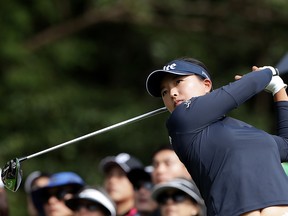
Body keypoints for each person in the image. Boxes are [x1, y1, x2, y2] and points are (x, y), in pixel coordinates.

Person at [145, 57, 288, 215]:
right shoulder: (182, 120)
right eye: (164, 91)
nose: (172, 93)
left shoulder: (246, 130)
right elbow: (246, 87)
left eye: (178, 81)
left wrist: (278, 89)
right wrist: (270, 72)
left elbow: (286, 146)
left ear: (206, 84)